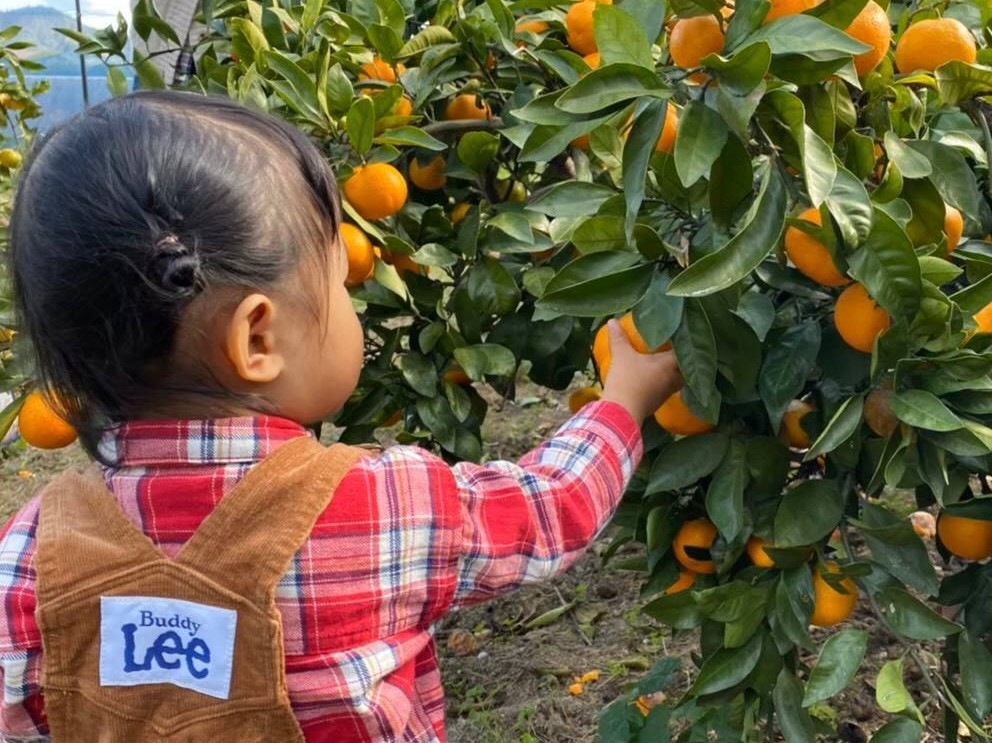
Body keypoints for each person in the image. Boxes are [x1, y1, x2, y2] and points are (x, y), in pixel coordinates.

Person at [0, 91, 684, 742]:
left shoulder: (32, 558)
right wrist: (622, 401)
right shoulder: (380, 507)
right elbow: (548, 508)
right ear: (258, 339)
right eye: (337, 279)